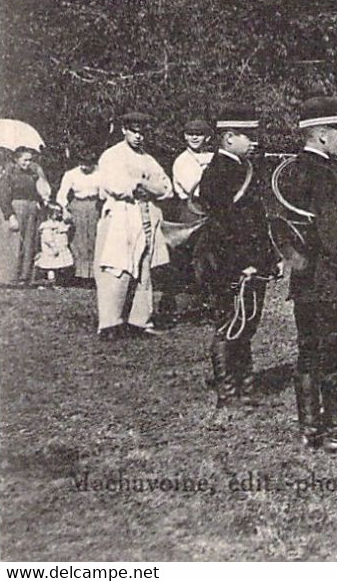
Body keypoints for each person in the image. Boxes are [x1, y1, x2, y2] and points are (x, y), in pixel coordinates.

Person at [272, 96, 337, 452]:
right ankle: (335, 431)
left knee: (308, 353)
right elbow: (334, 234)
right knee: (333, 354)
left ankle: (310, 428)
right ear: (320, 136)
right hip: (329, 281)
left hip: (304, 280)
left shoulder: (293, 171)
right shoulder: (325, 175)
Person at [193, 106, 277, 408]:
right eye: (248, 136)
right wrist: (244, 263)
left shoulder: (241, 168)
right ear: (229, 138)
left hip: (249, 263)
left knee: (246, 322)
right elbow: (223, 227)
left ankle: (245, 386)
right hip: (229, 264)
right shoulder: (218, 173)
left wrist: (269, 257)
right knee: (231, 323)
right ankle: (228, 391)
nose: (254, 141)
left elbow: (257, 221)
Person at [94, 112, 174, 337]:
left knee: (144, 267)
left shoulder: (148, 158)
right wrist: (143, 184)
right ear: (124, 130)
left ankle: (139, 321)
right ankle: (110, 323)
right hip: (121, 214)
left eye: (142, 132)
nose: (139, 136)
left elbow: (166, 188)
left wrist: (142, 183)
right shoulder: (112, 155)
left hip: (147, 214)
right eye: (134, 131)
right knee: (116, 266)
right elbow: (116, 185)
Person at [157, 118, 214, 326]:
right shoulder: (182, 161)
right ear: (185, 137)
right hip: (190, 210)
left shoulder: (212, 156)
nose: (194, 137)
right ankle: (170, 304)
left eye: (199, 134)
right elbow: (196, 188)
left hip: (211, 209)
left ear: (207, 137)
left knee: (209, 257)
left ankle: (206, 304)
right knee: (186, 257)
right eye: (190, 134)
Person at [0, 146, 47, 286]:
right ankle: (11, 275)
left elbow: (40, 191)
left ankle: (26, 276)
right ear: (16, 159)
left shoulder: (33, 173)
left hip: (32, 209)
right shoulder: (9, 174)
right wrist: (10, 215)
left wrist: (40, 201)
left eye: (30, 160)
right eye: (25, 160)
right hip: (17, 208)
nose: (27, 163)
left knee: (30, 242)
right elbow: (3, 196)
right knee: (15, 242)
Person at [56, 154, 102, 282]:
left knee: (94, 238)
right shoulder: (71, 174)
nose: (84, 167)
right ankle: (79, 274)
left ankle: (93, 274)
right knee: (78, 239)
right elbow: (61, 195)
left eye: (87, 164)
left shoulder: (101, 172)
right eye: (81, 163)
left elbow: (107, 191)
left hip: (95, 206)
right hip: (77, 206)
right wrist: (65, 209)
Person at [34, 205, 73, 288]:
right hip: (51, 249)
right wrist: (53, 246)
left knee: (57, 265)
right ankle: (50, 282)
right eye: (55, 213)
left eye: (59, 213)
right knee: (50, 266)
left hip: (59, 247)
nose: (57, 215)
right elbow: (47, 238)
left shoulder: (59, 224)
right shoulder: (47, 226)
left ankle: (56, 281)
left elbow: (65, 227)